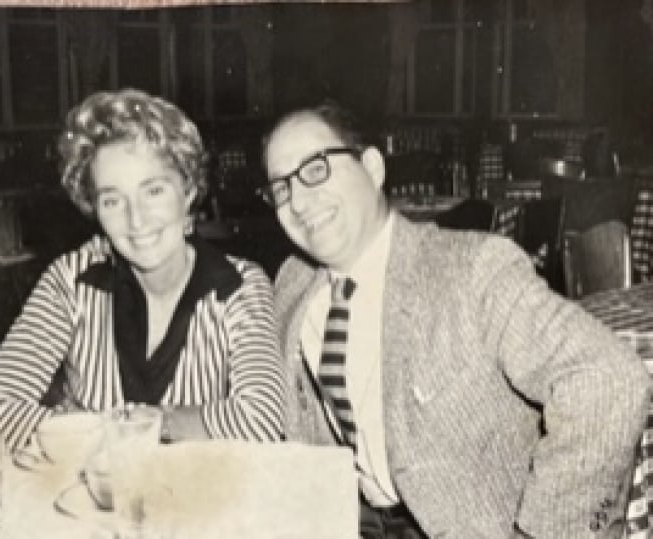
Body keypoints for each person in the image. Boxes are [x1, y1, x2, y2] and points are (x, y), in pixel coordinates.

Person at [260, 102, 651, 538]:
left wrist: (542, 533)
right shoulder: (293, 284)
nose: (297, 200)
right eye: (280, 186)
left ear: (372, 167)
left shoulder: (470, 268)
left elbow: (608, 379)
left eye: (315, 169)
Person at [0, 89, 283, 451]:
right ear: (94, 209)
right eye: (113, 200)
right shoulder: (72, 279)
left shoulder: (238, 285)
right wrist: (153, 428)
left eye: (153, 191)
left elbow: (263, 421)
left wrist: (120, 426)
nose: (135, 220)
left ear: (190, 192)